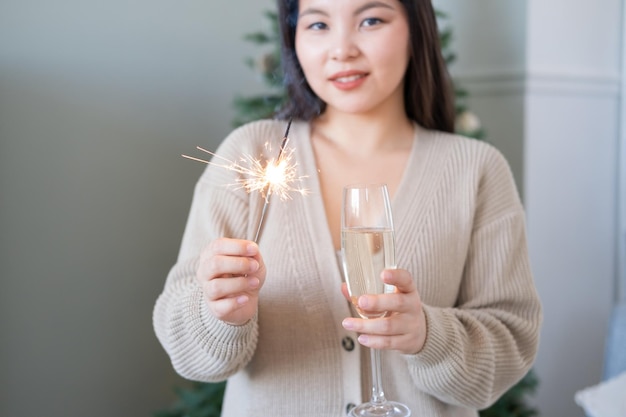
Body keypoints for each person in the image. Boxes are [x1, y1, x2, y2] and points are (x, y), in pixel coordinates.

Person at [153, 0, 543, 416]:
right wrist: (220, 313)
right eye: (318, 24)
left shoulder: (476, 170)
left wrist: (428, 335)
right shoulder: (252, 154)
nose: (342, 49)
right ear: (293, 38)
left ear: (417, 28)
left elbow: (511, 345)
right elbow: (189, 351)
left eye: (371, 20)